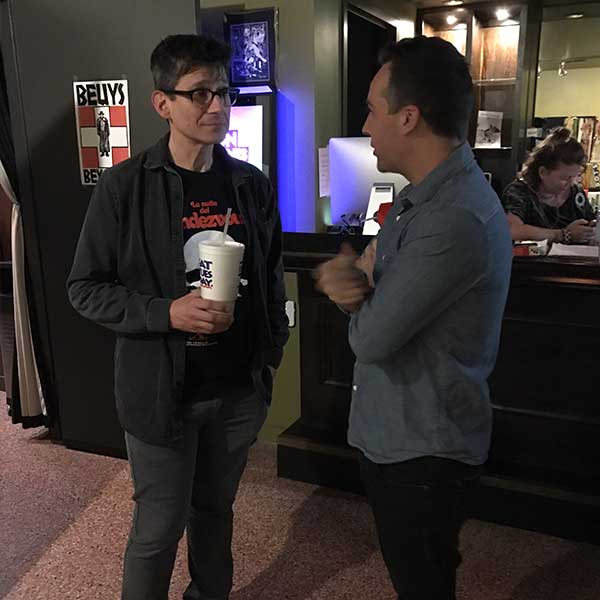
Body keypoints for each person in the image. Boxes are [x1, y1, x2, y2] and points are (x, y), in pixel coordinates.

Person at [67, 34, 288, 600]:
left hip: (238, 389)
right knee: (159, 528)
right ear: (162, 103)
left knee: (215, 513)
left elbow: (268, 278)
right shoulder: (125, 186)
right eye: (199, 94)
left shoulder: (250, 184)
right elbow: (84, 288)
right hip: (162, 389)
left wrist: (269, 361)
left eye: (223, 92)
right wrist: (167, 312)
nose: (216, 106)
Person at [314, 36, 513, 600]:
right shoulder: (417, 200)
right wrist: (360, 284)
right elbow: (372, 275)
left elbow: (372, 336)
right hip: (398, 433)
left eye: (373, 110)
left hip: (424, 447)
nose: (366, 125)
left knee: (422, 583)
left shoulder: (454, 217)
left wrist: (351, 293)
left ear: (408, 117)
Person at [502, 128, 596, 244]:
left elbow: (590, 222)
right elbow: (512, 230)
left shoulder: (576, 193)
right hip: (531, 261)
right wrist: (563, 234)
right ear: (543, 172)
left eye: (575, 176)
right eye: (564, 178)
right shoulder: (519, 192)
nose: (572, 183)